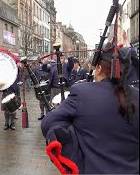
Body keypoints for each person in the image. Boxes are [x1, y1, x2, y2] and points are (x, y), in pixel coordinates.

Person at [41, 42, 139, 174]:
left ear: (98, 68)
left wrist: (74, 147)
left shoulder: (82, 92)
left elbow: (48, 123)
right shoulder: (137, 96)